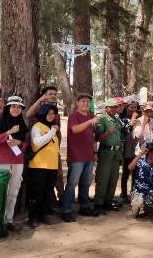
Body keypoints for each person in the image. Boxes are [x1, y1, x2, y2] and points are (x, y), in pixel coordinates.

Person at [0, 96, 29, 235]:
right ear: (8, 107)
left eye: (19, 107)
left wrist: (19, 143)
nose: (16, 109)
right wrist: (9, 132)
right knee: (2, 192)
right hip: (2, 161)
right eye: (13, 106)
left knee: (13, 192)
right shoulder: (0, 121)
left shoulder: (22, 123)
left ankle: (8, 220)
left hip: (18, 161)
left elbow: (25, 145)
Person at [62, 93, 100, 222]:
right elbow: (75, 130)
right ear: (77, 103)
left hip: (88, 156)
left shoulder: (90, 117)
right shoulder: (74, 116)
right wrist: (90, 121)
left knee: (86, 183)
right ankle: (67, 210)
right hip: (76, 156)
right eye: (82, 101)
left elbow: (93, 137)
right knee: (72, 183)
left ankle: (84, 206)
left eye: (87, 102)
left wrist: (95, 153)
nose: (85, 104)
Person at [26, 86, 64, 207]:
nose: (53, 96)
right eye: (50, 94)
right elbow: (28, 114)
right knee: (42, 182)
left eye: (54, 93)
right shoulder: (40, 107)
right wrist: (40, 99)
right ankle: (44, 207)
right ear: (44, 95)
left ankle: (61, 201)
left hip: (53, 146)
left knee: (58, 176)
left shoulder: (56, 108)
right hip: (42, 148)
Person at [26, 104, 60, 228]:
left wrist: (52, 131)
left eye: (53, 114)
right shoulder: (37, 126)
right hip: (39, 165)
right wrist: (52, 131)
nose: (51, 116)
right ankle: (33, 217)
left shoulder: (51, 128)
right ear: (43, 114)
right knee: (36, 193)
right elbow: (37, 142)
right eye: (48, 113)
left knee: (47, 192)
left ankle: (43, 214)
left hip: (52, 166)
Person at [94, 99, 123, 212]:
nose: (114, 109)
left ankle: (108, 201)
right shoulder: (102, 119)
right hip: (106, 152)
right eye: (112, 107)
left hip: (116, 153)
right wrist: (107, 133)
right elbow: (97, 138)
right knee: (103, 178)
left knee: (113, 179)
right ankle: (99, 203)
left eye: (116, 107)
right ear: (106, 108)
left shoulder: (116, 119)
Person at [120, 101, 139, 203]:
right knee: (126, 173)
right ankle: (123, 194)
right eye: (131, 107)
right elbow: (126, 130)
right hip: (127, 149)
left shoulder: (140, 119)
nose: (133, 109)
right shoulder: (123, 119)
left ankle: (133, 193)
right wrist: (132, 119)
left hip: (136, 150)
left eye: (135, 107)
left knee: (135, 174)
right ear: (127, 108)